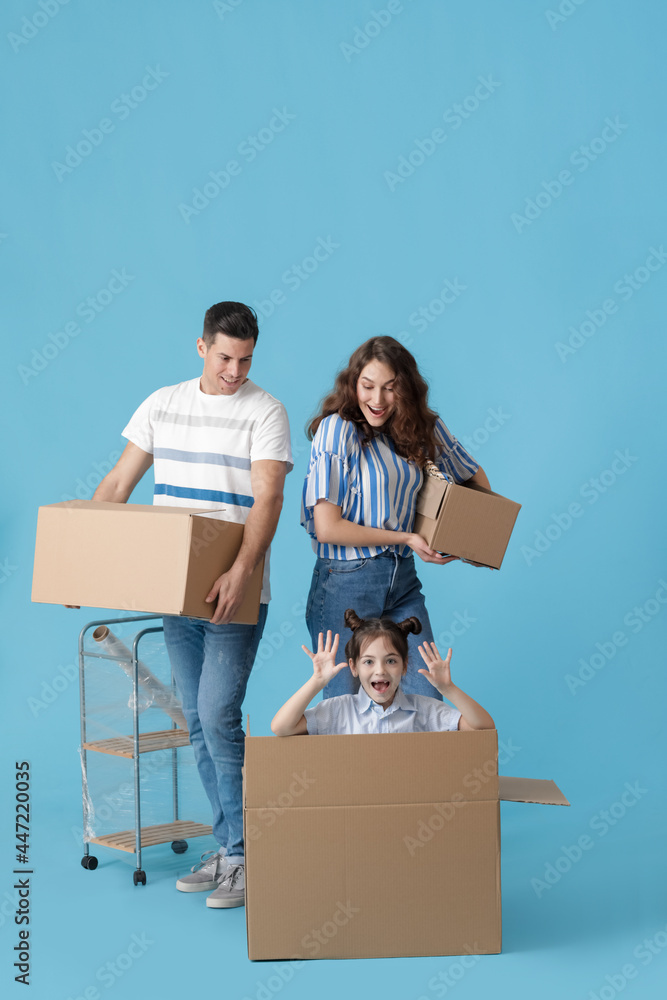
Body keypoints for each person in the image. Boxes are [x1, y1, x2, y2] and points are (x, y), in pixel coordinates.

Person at [88, 301, 292, 908]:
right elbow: (119, 485)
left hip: (235, 589)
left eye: (246, 359)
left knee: (217, 715)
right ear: (200, 347)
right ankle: (229, 843)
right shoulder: (163, 404)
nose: (235, 370)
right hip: (176, 591)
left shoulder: (266, 411)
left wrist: (239, 571)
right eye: (225, 356)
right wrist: (85, 556)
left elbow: (269, 500)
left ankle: (242, 857)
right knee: (196, 723)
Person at [300, 336, 491, 701]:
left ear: (405, 389)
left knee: (426, 699)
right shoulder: (338, 429)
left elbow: (471, 476)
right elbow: (328, 527)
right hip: (346, 584)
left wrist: (474, 537)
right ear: (353, 384)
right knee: (344, 710)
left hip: (401, 581)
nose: (377, 400)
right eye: (368, 386)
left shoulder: (421, 427)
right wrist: (406, 539)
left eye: (390, 389)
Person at [270, 609, 494, 736]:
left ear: (405, 666)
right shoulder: (338, 710)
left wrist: (448, 688)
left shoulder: (424, 710)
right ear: (353, 667)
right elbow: (281, 727)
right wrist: (316, 682)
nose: (380, 670)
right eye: (368, 662)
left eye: (391, 661)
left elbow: (482, 727)